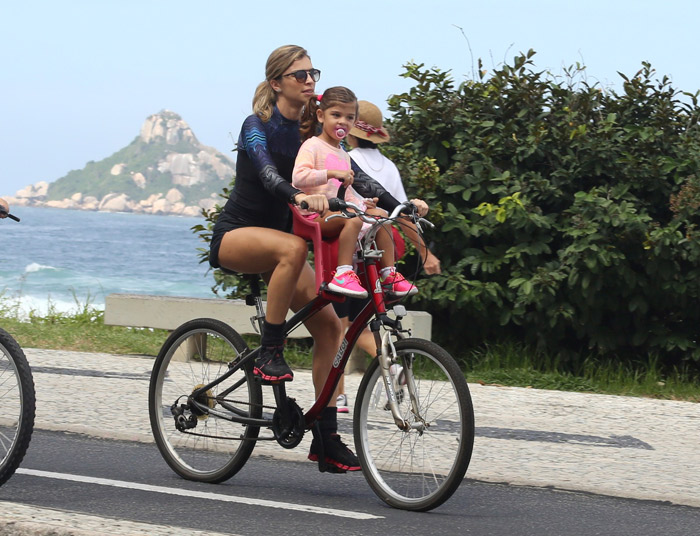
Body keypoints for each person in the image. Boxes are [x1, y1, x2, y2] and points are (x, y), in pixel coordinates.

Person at [208, 45, 429, 472]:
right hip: (237, 236)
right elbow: (269, 173)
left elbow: (356, 176)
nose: (310, 81)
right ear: (277, 83)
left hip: (280, 247)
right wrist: (298, 196)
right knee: (292, 246)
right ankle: (271, 348)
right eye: (300, 75)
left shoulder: (311, 133)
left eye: (313, 74)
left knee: (331, 327)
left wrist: (401, 207)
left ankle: (326, 437)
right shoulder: (259, 126)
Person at [334, 100, 442, 413]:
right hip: (381, 259)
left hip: (350, 255)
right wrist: (425, 252)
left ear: (352, 134)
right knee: (360, 324)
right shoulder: (389, 168)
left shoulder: (348, 160)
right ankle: (390, 363)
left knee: (338, 326)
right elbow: (401, 214)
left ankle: (342, 393)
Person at [292, 86, 417, 300]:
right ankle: (343, 273)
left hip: (336, 212)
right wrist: (330, 173)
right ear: (321, 116)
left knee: (382, 217)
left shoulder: (344, 154)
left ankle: (389, 274)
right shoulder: (312, 146)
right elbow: (298, 177)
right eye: (336, 115)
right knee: (353, 221)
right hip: (312, 214)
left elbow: (346, 192)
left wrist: (363, 204)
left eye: (349, 117)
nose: (342, 121)